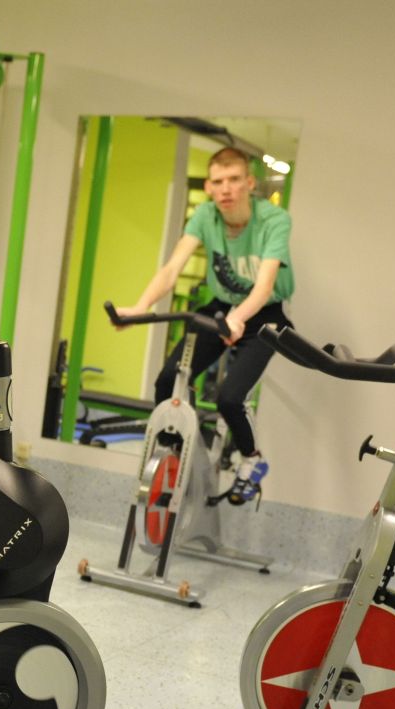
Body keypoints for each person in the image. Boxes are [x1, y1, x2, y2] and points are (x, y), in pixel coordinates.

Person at [115, 146, 295, 504]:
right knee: (168, 380)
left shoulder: (274, 220)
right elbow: (171, 270)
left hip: (264, 313)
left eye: (233, 180)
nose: (225, 189)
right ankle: (173, 451)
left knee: (229, 399)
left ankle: (252, 460)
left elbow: (263, 287)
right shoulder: (205, 215)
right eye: (218, 182)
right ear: (209, 187)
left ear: (250, 183)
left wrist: (238, 319)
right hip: (220, 307)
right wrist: (139, 307)